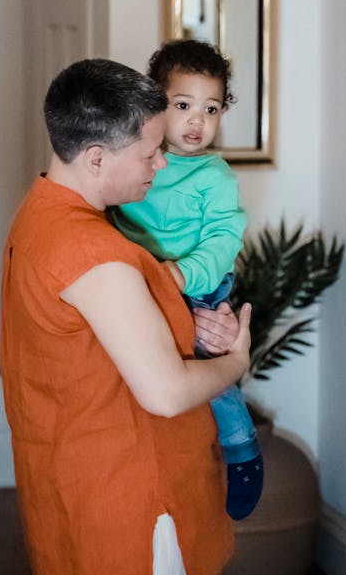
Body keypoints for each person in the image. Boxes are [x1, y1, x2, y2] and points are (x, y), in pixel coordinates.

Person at [0, 57, 251, 575]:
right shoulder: (92, 250)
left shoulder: (42, 215)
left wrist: (195, 327)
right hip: (133, 507)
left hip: (84, 489)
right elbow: (166, 392)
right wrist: (235, 360)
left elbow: (113, 349)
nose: (161, 166)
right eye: (149, 151)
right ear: (97, 154)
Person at [109, 39, 263, 521]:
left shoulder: (212, 175)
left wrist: (180, 274)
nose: (197, 122)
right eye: (183, 105)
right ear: (155, 104)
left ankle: (242, 450)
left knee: (205, 371)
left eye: (211, 109)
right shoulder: (133, 158)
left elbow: (223, 239)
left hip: (197, 285)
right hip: (143, 282)